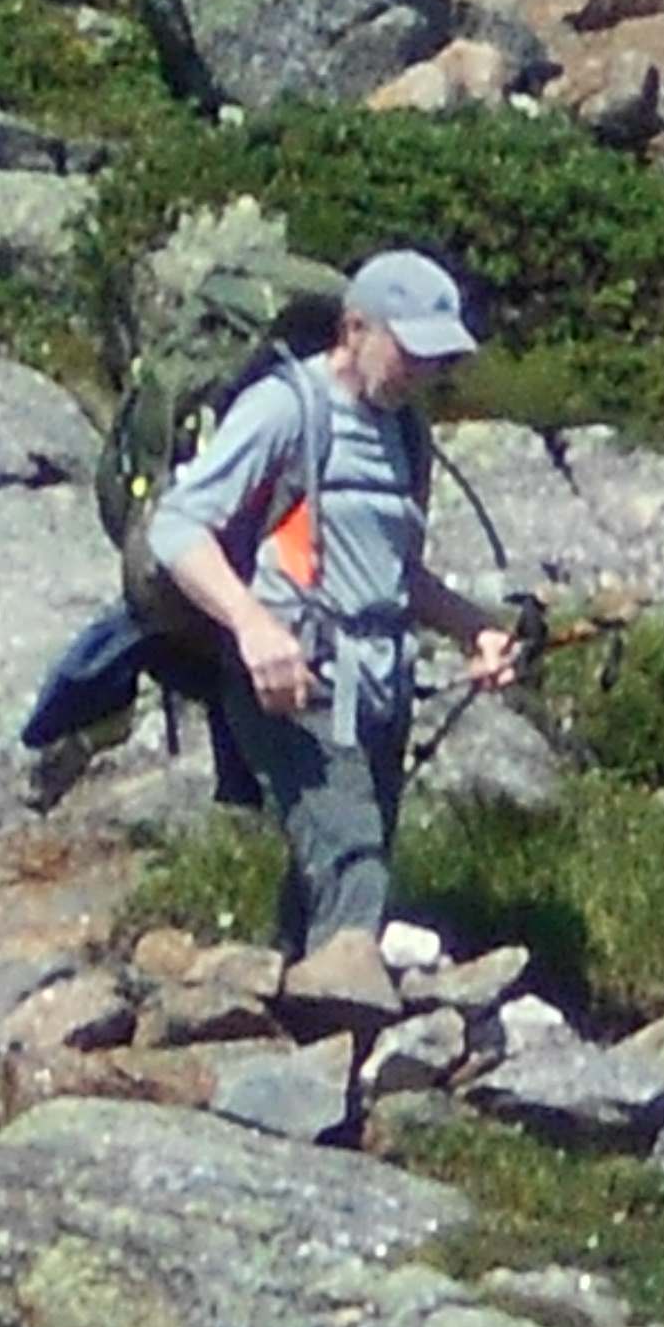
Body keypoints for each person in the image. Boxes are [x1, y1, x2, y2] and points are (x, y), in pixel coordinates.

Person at [147, 246, 523, 979]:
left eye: (437, 359)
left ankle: (272, 1008)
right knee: (355, 860)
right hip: (296, 681)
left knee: (330, 868)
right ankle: (348, 1033)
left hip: (380, 686)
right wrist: (253, 627)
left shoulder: (406, 432)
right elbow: (177, 528)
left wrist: (477, 630)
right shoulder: (286, 407)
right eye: (411, 352)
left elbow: (400, 575)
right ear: (355, 329)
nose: (423, 372)